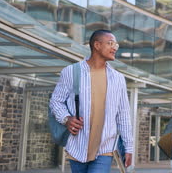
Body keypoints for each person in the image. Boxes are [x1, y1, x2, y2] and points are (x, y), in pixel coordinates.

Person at [50, 29, 133, 172]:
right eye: (110, 43)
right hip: (77, 145)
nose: (115, 48)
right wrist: (66, 118)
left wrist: (129, 146)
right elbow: (56, 101)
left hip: (105, 148)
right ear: (97, 45)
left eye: (116, 45)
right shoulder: (71, 71)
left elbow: (123, 114)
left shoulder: (118, 78)